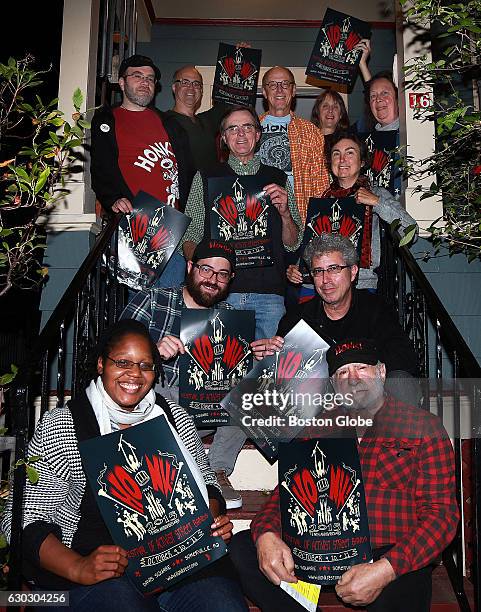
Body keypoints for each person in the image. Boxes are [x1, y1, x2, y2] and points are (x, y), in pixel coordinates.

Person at [1, 320, 247, 612]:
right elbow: (25, 519)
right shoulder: (64, 425)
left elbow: (206, 480)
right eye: (123, 362)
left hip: (180, 558)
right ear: (101, 365)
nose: (135, 374)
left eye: (146, 365)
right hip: (94, 566)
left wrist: (211, 520)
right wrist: (79, 567)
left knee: (222, 604)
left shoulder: (174, 418)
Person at [229, 338, 459, 612]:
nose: (353, 379)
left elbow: (441, 516)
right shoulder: (318, 428)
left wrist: (386, 569)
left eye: (362, 368)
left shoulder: (422, 426)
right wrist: (266, 533)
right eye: (342, 373)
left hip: (391, 556)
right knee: (243, 547)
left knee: (406, 585)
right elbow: (285, 496)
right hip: (319, 551)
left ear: (382, 373)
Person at [181, 104, 302, 506]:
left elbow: (291, 242)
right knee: (211, 380)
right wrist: (202, 272)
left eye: (248, 128)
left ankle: (217, 466)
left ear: (258, 134)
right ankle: (196, 465)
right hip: (221, 294)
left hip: (268, 294)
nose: (241, 135)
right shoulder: (208, 177)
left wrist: (284, 210)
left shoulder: (276, 178)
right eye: (232, 129)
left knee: (261, 386)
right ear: (224, 137)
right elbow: (192, 235)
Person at [120, 239, 243, 510]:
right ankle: (181, 464)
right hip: (162, 409)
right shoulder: (154, 300)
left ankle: (217, 472)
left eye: (222, 274)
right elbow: (115, 353)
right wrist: (152, 353)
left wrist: (257, 357)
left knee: (252, 391)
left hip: (209, 409)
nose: (213, 279)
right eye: (206, 270)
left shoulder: (231, 317)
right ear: (190, 267)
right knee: (160, 392)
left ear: (230, 279)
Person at [253, 233, 420, 406]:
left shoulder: (375, 309)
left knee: (401, 380)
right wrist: (268, 358)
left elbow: (404, 358)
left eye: (333, 269)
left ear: (353, 272)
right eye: (318, 272)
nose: (326, 280)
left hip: (367, 395)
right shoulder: (297, 318)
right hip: (319, 399)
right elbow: (281, 377)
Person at [90, 54, 195, 286]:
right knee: (138, 307)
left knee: (168, 305)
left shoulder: (170, 124)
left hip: (172, 230)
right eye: (137, 76)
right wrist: (113, 197)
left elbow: (189, 173)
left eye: (150, 78)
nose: (145, 81)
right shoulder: (107, 120)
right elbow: (100, 169)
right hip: (135, 228)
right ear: (122, 82)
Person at [286, 131, 416, 292]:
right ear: (329, 162)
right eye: (336, 154)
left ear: (362, 162)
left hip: (359, 284)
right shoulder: (323, 199)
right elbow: (312, 244)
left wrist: (377, 202)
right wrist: (297, 269)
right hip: (316, 286)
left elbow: (411, 231)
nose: (342, 160)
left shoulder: (376, 193)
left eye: (350, 153)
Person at [259, 66, 330, 222]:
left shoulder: (311, 131)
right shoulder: (250, 129)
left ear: (293, 90)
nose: (279, 90)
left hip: (299, 219)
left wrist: (319, 223)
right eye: (272, 85)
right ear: (264, 92)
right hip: (259, 218)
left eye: (285, 84)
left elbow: (321, 184)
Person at [163, 65, 226, 173]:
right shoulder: (164, 122)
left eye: (196, 84)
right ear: (174, 87)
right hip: (182, 189)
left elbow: (230, 98)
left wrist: (240, 55)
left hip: (211, 188)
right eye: (185, 82)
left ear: (201, 91)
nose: (191, 88)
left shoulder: (207, 121)